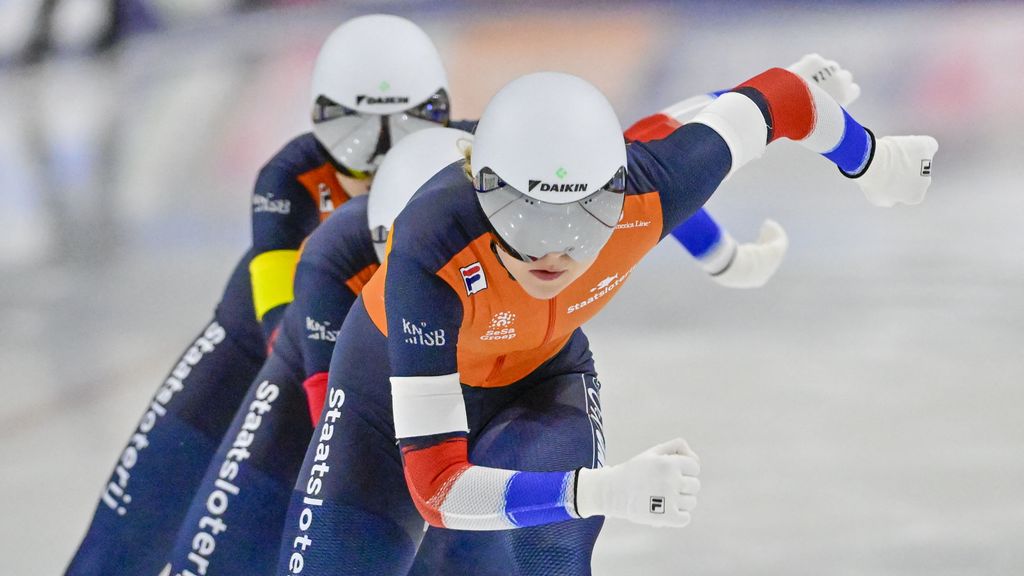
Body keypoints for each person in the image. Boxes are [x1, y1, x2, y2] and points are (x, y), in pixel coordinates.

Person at [159, 54, 855, 576]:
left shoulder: (553, 183)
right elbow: (385, 453)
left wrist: (728, 254)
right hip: (379, 395)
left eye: (571, 223)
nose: (551, 250)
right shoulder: (342, 261)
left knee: (535, 548)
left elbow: (658, 156)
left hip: (520, 379)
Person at [66, 14, 461, 575]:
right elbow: (283, 325)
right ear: (318, 123)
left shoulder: (476, 165)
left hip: (363, 382)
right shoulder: (290, 180)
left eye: (405, 130)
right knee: (122, 552)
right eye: (354, 134)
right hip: (263, 359)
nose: (379, 160)